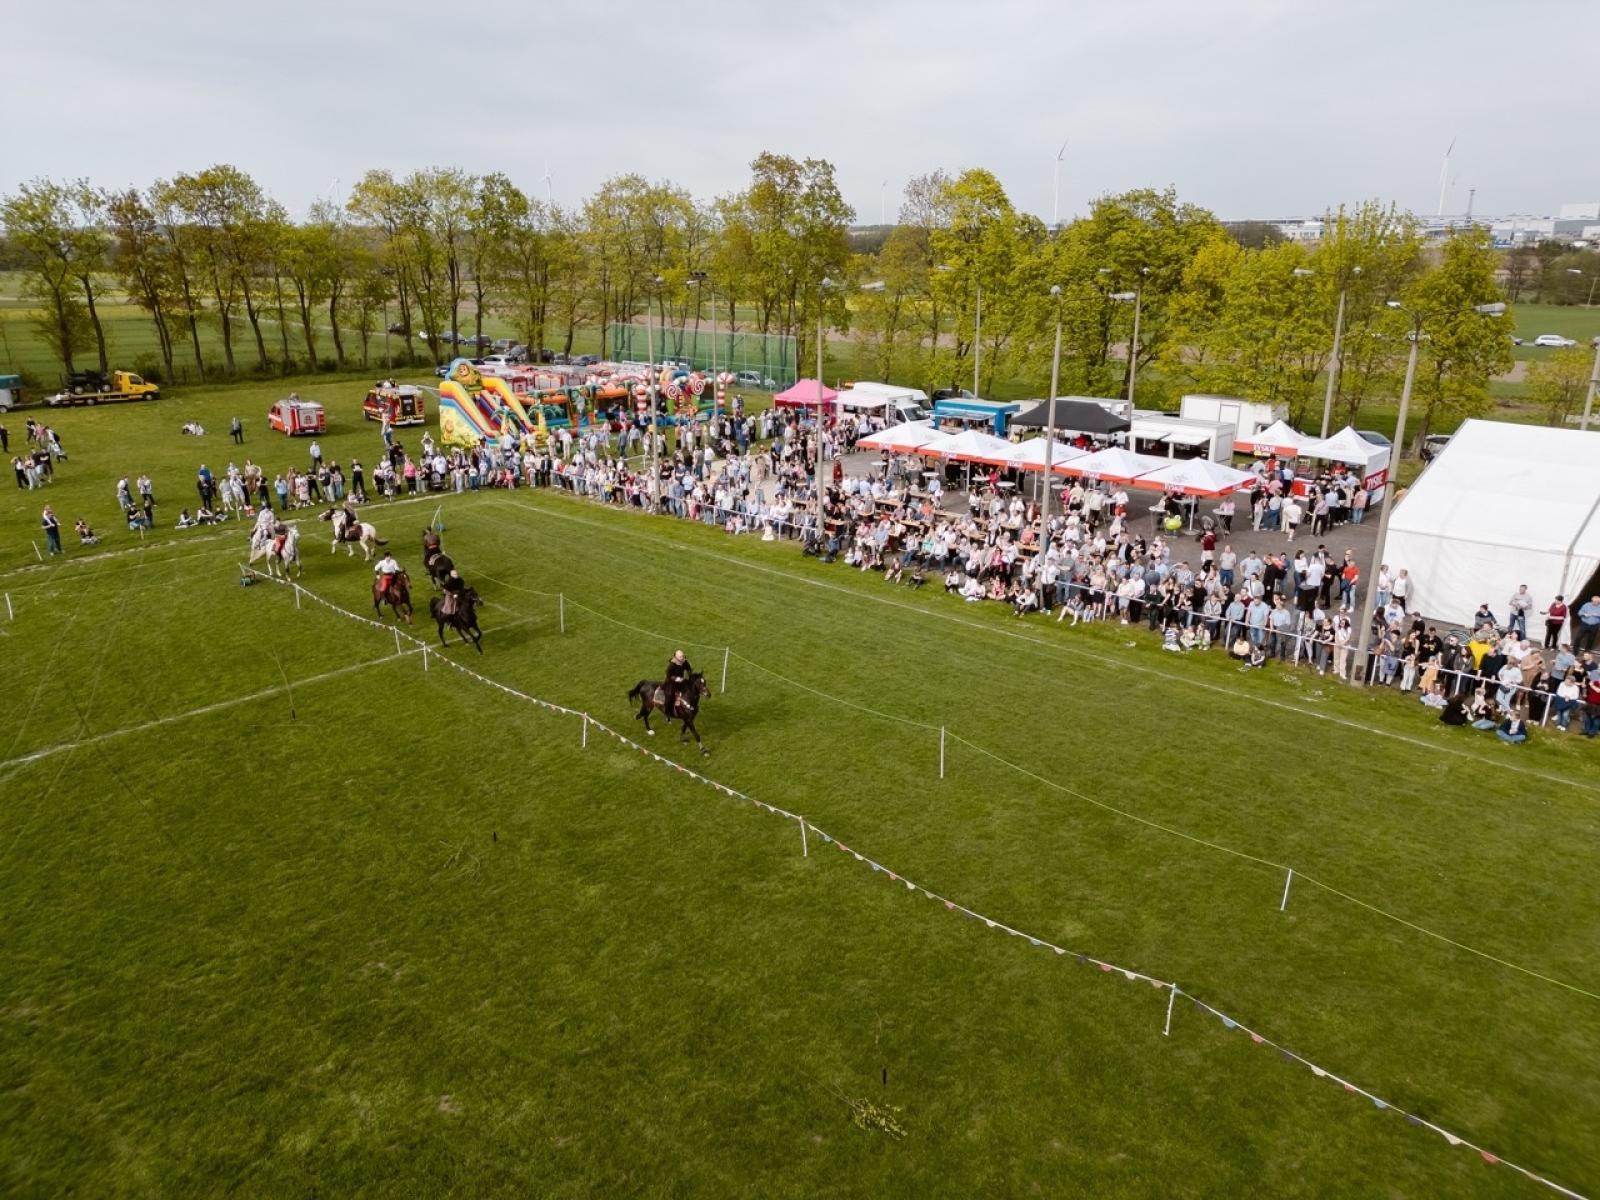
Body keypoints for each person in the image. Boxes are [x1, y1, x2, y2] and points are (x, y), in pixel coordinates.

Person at [663, 649, 694, 716]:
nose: (682, 658)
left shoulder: (684, 662)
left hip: (681, 681)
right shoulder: (672, 665)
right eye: (680, 657)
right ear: (676, 657)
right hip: (671, 683)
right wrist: (676, 678)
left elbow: (688, 668)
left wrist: (689, 673)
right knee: (669, 697)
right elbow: (668, 675)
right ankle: (667, 712)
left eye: (683, 656)